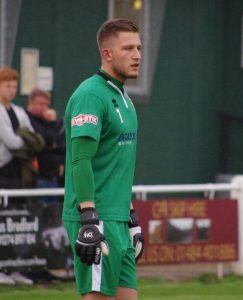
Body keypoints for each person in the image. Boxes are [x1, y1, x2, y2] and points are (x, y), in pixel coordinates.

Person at [62, 18, 144, 299]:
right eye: (128, 49)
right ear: (107, 54)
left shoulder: (123, 98)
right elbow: (80, 160)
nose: (137, 56)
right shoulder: (90, 95)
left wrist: (130, 216)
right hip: (96, 218)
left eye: (139, 48)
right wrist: (88, 217)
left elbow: (115, 165)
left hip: (117, 218)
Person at [0, 67, 37, 189]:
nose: (12, 90)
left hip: (20, 167)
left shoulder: (19, 111)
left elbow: (32, 136)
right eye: (8, 86)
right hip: (3, 168)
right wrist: (25, 141)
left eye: (15, 87)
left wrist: (28, 141)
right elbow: (12, 142)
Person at [26, 88, 66, 202]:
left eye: (46, 104)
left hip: (55, 179)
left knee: (56, 216)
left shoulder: (46, 121)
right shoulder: (27, 119)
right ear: (30, 103)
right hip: (39, 179)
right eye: (40, 104)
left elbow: (61, 144)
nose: (44, 108)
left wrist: (53, 144)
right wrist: (51, 123)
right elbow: (48, 140)